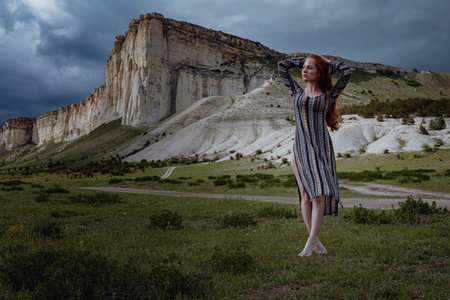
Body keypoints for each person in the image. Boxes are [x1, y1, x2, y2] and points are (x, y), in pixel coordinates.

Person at [277, 54, 352, 257]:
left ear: (319, 73)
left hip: (320, 150)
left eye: (310, 68)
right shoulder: (296, 91)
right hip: (300, 150)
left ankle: (310, 244)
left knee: (319, 195)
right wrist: (303, 60)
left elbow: (347, 72)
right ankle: (315, 242)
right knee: (305, 195)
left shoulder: (328, 95)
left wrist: (328, 63)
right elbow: (281, 66)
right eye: (304, 68)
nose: (304, 70)